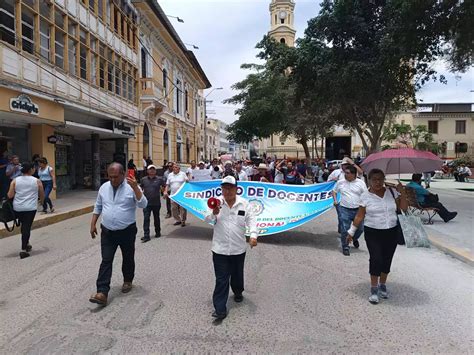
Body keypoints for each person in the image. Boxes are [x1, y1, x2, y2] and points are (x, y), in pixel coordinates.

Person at [89, 163, 147, 306]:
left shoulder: (131, 187)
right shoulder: (104, 188)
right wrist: (93, 223)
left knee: (127, 257)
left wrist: (136, 188)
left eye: (116, 176)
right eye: (110, 176)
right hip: (108, 231)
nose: (113, 179)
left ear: (123, 174)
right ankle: (102, 292)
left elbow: (143, 204)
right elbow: (98, 206)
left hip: (127, 230)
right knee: (106, 260)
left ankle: (127, 280)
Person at [348, 169, 408, 304]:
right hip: (373, 232)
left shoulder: (392, 193)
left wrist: (402, 192)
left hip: (391, 231)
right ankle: (374, 288)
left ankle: (383, 285)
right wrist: (351, 232)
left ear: (384, 179)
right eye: (374, 179)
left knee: (387, 259)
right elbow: (359, 215)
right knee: (376, 259)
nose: (377, 182)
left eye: (380, 179)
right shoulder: (365, 196)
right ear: (369, 180)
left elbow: (404, 209)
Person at [205, 176, 258, 320]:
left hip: (238, 249)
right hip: (219, 249)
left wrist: (253, 235)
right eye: (224, 188)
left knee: (237, 274)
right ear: (221, 189)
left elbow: (252, 220)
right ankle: (220, 309)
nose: (227, 191)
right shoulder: (216, 203)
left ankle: (238, 291)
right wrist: (213, 213)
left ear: (236, 189)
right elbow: (207, 219)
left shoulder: (244, 204)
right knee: (221, 279)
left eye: (230, 188)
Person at [8, 162, 45, 259]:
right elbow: (41, 194)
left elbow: (10, 195)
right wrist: (42, 201)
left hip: (18, 208)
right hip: (30, 208)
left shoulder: (15, 180)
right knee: (26, 227)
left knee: (24, 226)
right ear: (31, 169)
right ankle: (24, 249)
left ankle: (27, 243)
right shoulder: (37, 181)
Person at [332, 164, 368, 256]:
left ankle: (353, 238)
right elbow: (334, 191)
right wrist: (335, 200)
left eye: (347, 173)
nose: (345, 174)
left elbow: (365, 195)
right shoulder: (340, 182)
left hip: (358, 210)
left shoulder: (361, 183)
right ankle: (345, 247)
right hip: (344, 209)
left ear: (354, 174)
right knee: (344, 230)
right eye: (345, 172)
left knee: (360, 229)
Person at [140, 165, 165, 243]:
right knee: (146, 219)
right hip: (146, 203)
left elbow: (165, 186)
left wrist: (164, 192)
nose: (152, 171)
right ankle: (146, 235)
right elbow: (140, 189)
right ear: (147, 171)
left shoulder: (159, 179)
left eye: (153, 169)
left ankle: (158, 232)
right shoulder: (143, 180)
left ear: (155, 171)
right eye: (150, 170)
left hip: (156, 203)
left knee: (156, 218)